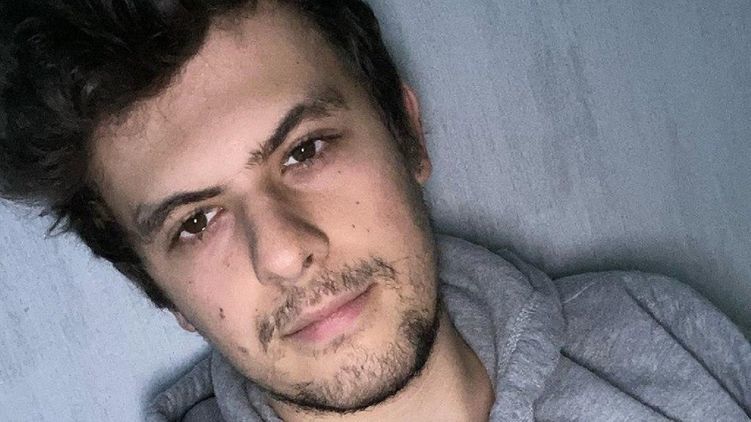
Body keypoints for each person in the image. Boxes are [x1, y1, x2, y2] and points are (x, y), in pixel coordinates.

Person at [1, 1, 749, 421]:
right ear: (162, 293)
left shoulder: (652, 331)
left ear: (406, 132)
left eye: (304, 150)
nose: (284, 251)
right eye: (195, 222)